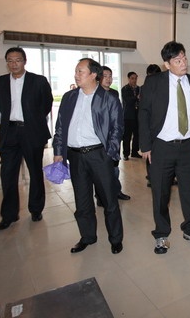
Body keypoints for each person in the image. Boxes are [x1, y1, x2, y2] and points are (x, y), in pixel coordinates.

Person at [139, 41, 190, 254]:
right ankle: (161, 233)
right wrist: (145, 145)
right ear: (167, 64)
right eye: (177, 60)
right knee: (160, 193)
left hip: (187, 147)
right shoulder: (153, 82)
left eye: (184, 58)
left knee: (189, 191)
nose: (183, 63)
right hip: (161, 147)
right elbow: (144, 113)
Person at [52, 58, 124, 255]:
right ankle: (88, 236)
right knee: (82, 200)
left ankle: (116, 239)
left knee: (109, 200)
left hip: (99, 155)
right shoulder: (69, 97)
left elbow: (117, 129)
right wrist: (58, 151)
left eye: (80, 71)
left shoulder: (108, 99)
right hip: (75, 156)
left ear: (93, 75)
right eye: (76, 71)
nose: (76, 75)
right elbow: (60, 126)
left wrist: (109, 154)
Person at [0, 47, 53, 230]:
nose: (14, 64)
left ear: (24, 61)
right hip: (10, 132)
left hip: (31, 132)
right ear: (6, 63)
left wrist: (33, 120)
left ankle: (36, 209)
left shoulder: (38, 81)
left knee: (35, 172)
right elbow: (2, 107)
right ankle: (9, 215)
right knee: (7, 175)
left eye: (17, 60)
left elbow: (46, 104)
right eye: (10, 60)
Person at [101, 66, 130, 201]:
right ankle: (101, 196)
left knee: (114, 166)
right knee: (101, 168)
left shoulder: (114, 93)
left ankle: (116, 191)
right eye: (105, 76)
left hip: (114, 136)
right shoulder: (95, 93)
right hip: (101, 138)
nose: (108, 79)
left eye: (110, 76)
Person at [143, 64, 162, 187]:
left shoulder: (164, 87)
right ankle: (151, 177)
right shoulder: (146, 88)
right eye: (150, 76)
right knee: (150, 155)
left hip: (163, 129)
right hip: (151, 129)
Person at [121, 71, 141, 160]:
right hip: (128, 116)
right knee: (127, 136)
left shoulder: (139, 89)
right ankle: (126, 154)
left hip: (137, 115)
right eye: (132, 78)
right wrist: (136, 97)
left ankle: (135, 152)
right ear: (128, 79)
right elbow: (128, 101)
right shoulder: (125, 89)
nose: (134, 80)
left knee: (137, 135)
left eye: (135, 78)